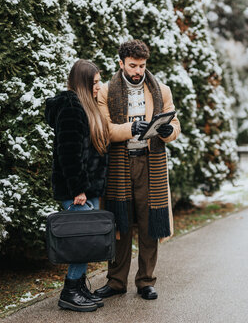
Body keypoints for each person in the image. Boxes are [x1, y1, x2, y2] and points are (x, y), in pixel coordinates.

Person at [94, 39, 180, 300]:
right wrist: (132, 129)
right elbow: (105, 130)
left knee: (148, 224)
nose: (138, 71)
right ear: (121, 63)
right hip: (119, 162)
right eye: (132, 65)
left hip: (150, 161)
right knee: (120, 223)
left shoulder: (161, 90)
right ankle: (116, 281)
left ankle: (146, 281)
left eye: (142, 66)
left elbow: (174, 123)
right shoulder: (106, 91)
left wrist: (167, 132)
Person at [45, 59, 109, 312]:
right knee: (83, 241)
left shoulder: (83, 105)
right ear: (83, 83)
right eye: (95, 83)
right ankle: (70, 291)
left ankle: (80, 287)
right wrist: (78, 189)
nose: (99, 87)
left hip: (88, 188)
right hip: (78, 190)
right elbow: (69, 153)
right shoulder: (71, 107)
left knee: (86, 238)